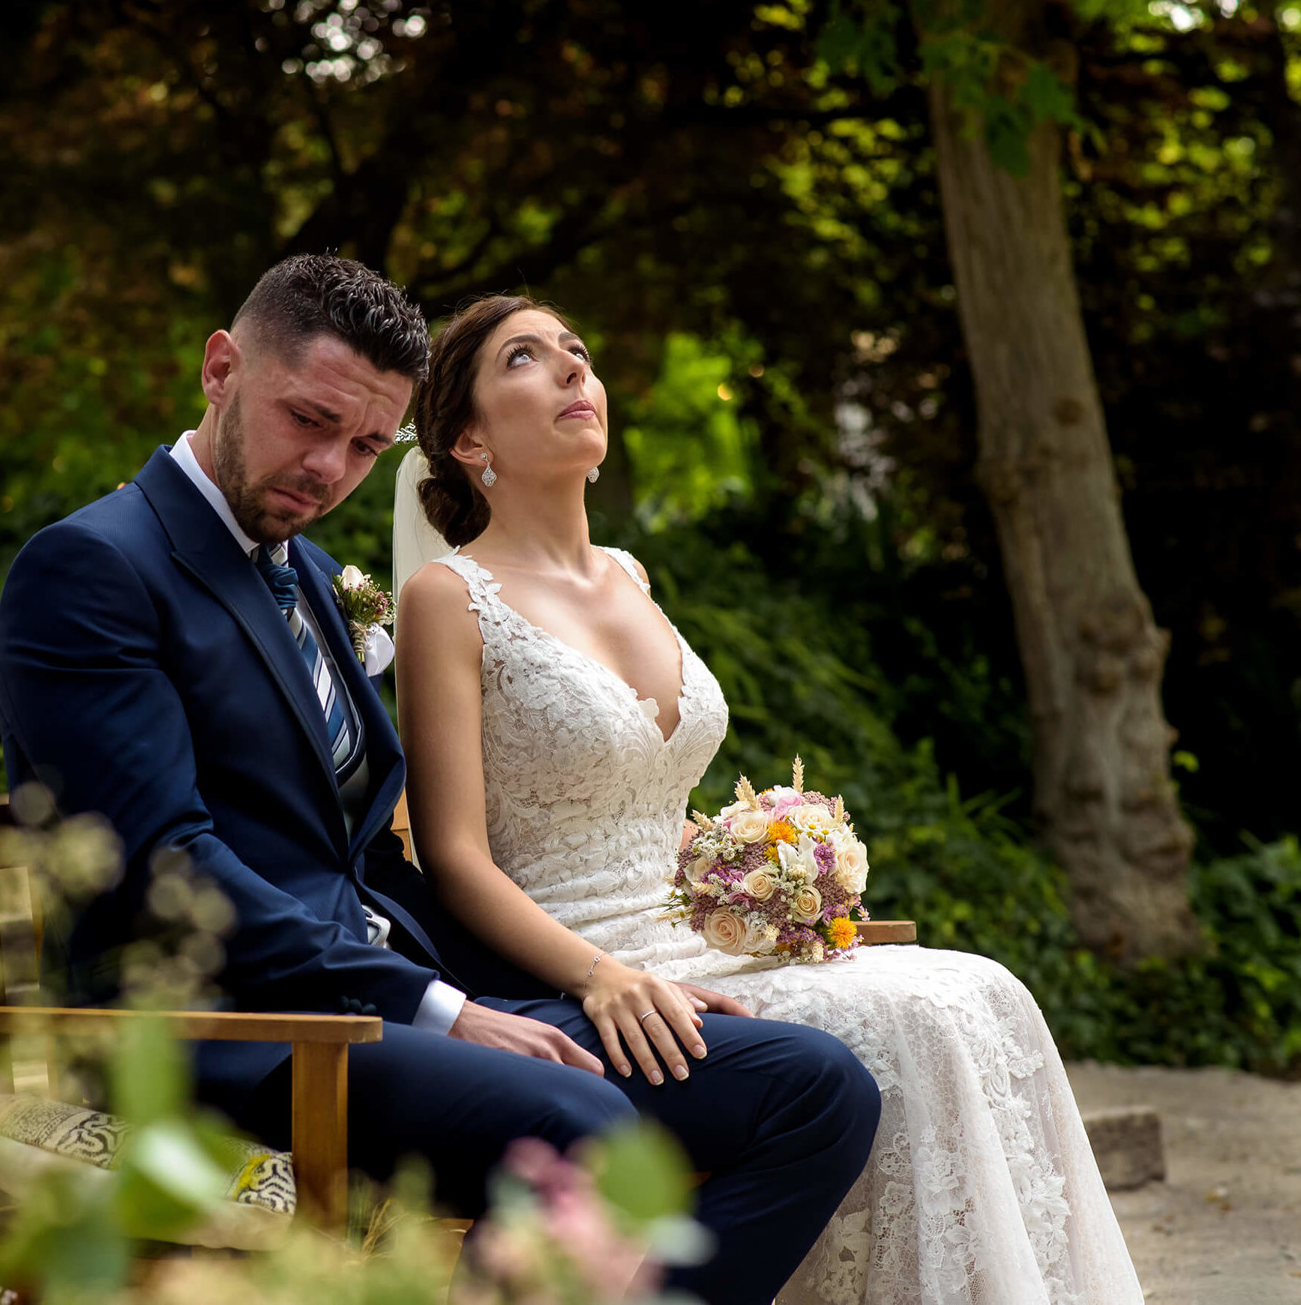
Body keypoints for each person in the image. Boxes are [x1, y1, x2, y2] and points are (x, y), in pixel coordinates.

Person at [0, 255, 879, 1305]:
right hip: (221, 1034)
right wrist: (439, 1006)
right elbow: (161, 867)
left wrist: (585, 979)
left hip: (375, 1004)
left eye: (366, 444)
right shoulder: (96, 567)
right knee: (577, 1120)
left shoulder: (316, 577)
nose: (329, 467)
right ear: (219, 368)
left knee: (810, 1088)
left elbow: (365, 855)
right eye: (308, 419)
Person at [391, 292, 1146, 1305]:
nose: (573, 368)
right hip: (585, 964)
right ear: (468, 436)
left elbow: (646, 794)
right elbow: (455, 856)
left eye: (578, 348)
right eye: (526, 358)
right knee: (916, 1025)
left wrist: (762, 872)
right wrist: (602, 975)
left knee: (979, 990)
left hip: (707, 943)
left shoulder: (630, 573)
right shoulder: (448, 597)